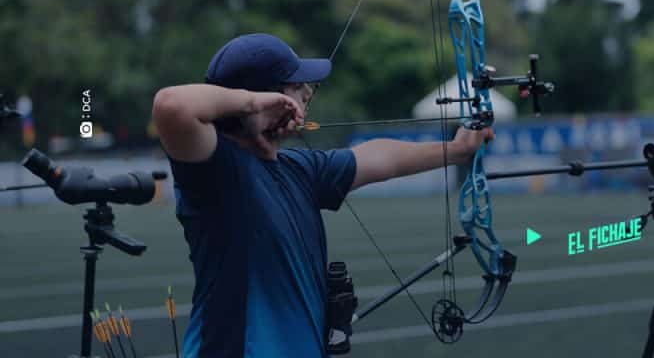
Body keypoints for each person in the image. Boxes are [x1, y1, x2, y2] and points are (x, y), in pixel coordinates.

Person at [151, 33, 489, 357]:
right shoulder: (216, 170)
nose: (308, 92)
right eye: (296, 86)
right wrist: (251, 103)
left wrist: (457, 149)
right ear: (270, 98)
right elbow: (172, 105)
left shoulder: (299, 168)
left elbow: (379, 157)